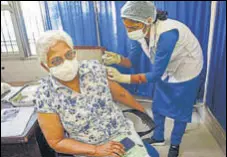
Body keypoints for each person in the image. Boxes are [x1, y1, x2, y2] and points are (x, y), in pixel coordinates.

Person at [102, 1, 203, 157]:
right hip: (164, 69)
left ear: (148, 20)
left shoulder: (168, 33)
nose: (129, 31)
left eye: (132, 28)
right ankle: (158, 137)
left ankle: (175, 144)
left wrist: (123, 78)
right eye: (126, 27)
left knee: (180, 113)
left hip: (186, 70)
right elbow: (132, 61)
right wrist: (118, 59)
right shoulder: (138, 31)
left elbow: (155, 74)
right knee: (158, 106)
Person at [35, 30, 155, 157]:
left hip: (121, 135)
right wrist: (96, 150)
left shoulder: (93, 68)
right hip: (87, 148)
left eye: (69, 54)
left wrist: (144, 115)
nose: (66, 63)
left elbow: (121, 94)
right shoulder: (45, 94)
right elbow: (56, 141)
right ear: (45, 66)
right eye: (56, 61)